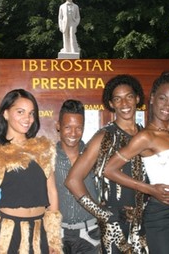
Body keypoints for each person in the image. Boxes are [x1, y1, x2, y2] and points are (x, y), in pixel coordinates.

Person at [104, 71, 169, 254]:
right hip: (162, 216)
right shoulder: (145, 137)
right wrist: (149, 189)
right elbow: (109, 170)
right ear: (152, 99)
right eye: (163, 98)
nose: (168, 106)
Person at [66, 74, 158, 253]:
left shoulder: (147, 136)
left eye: (129, 97)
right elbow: (72, 180)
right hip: (115, 228)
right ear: (111, 104)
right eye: (118, 99)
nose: (124, 104)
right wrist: (103, 216)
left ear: (137, 98)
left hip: (145, 226)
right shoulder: (104, 137)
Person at [0, 89, 62, 254]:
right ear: (6, 114)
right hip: (8, 234)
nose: (27, 118)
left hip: (39, 231)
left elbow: (52, 192)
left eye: (31, 113)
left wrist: (53, 238)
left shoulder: (44, 149)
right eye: (20, 112)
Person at [54, 99, 101, 253]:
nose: (73, 133)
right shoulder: (47, 157)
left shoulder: (94, 156)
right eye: (67, 127)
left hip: (91, 233)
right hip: (58, 234)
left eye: (78, 128)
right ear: (58, 126)